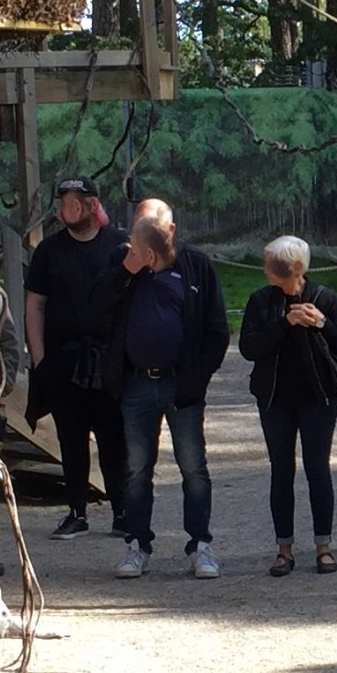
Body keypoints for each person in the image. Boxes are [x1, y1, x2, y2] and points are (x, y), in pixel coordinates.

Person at [100, 204, 231, 580]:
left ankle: (201, 546)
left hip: (181, 385)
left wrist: (197, 379)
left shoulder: (197, 266)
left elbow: (217, 329)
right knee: (137, 470)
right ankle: (137, 545)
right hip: (136, 383)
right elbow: (94, 308)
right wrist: (126, 270)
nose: (136, 247)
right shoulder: (125, 264)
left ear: (168, 231)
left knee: (193, 467)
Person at [239, 235, 337, 577]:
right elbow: (249, 348)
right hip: (275, 399)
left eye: (272, 263)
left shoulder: (325, 297)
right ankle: (284, 549)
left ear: (294, 268)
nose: (266, 269)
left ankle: (324, 547)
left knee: (318, 468)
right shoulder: (260, 301)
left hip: (318, 397)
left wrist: (321, 323)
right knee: (281, 470)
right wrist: (284, 322)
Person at [24, 176, 127, 539]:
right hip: (63, 361)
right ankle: (76, 511)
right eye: (65, 201)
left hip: (109, 360)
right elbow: (35, 306)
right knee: (71, 438)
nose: (71, 207)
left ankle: (122, 511)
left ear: (93, 203)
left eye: (78, 200)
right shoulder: (48, 251)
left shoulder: (119, 244)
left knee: (115, 437)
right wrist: (40, 360)